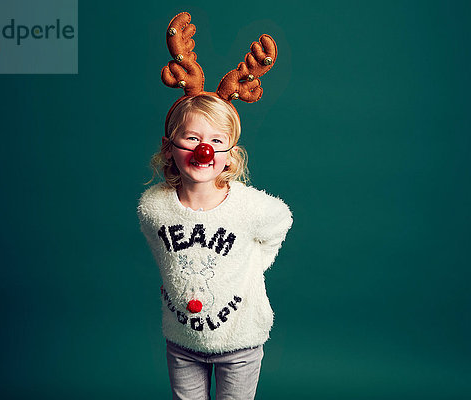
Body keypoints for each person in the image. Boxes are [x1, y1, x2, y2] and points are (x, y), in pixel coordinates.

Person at [137, 12, 292, 400]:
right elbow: (163, 253)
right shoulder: (154, 207)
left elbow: (280, 223)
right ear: (169, 148)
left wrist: (249, 266)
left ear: (229, 155)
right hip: (182, 342)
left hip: (239, 343)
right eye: (190, 137)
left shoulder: (251, 208)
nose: (203, 149)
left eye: (215, 141)